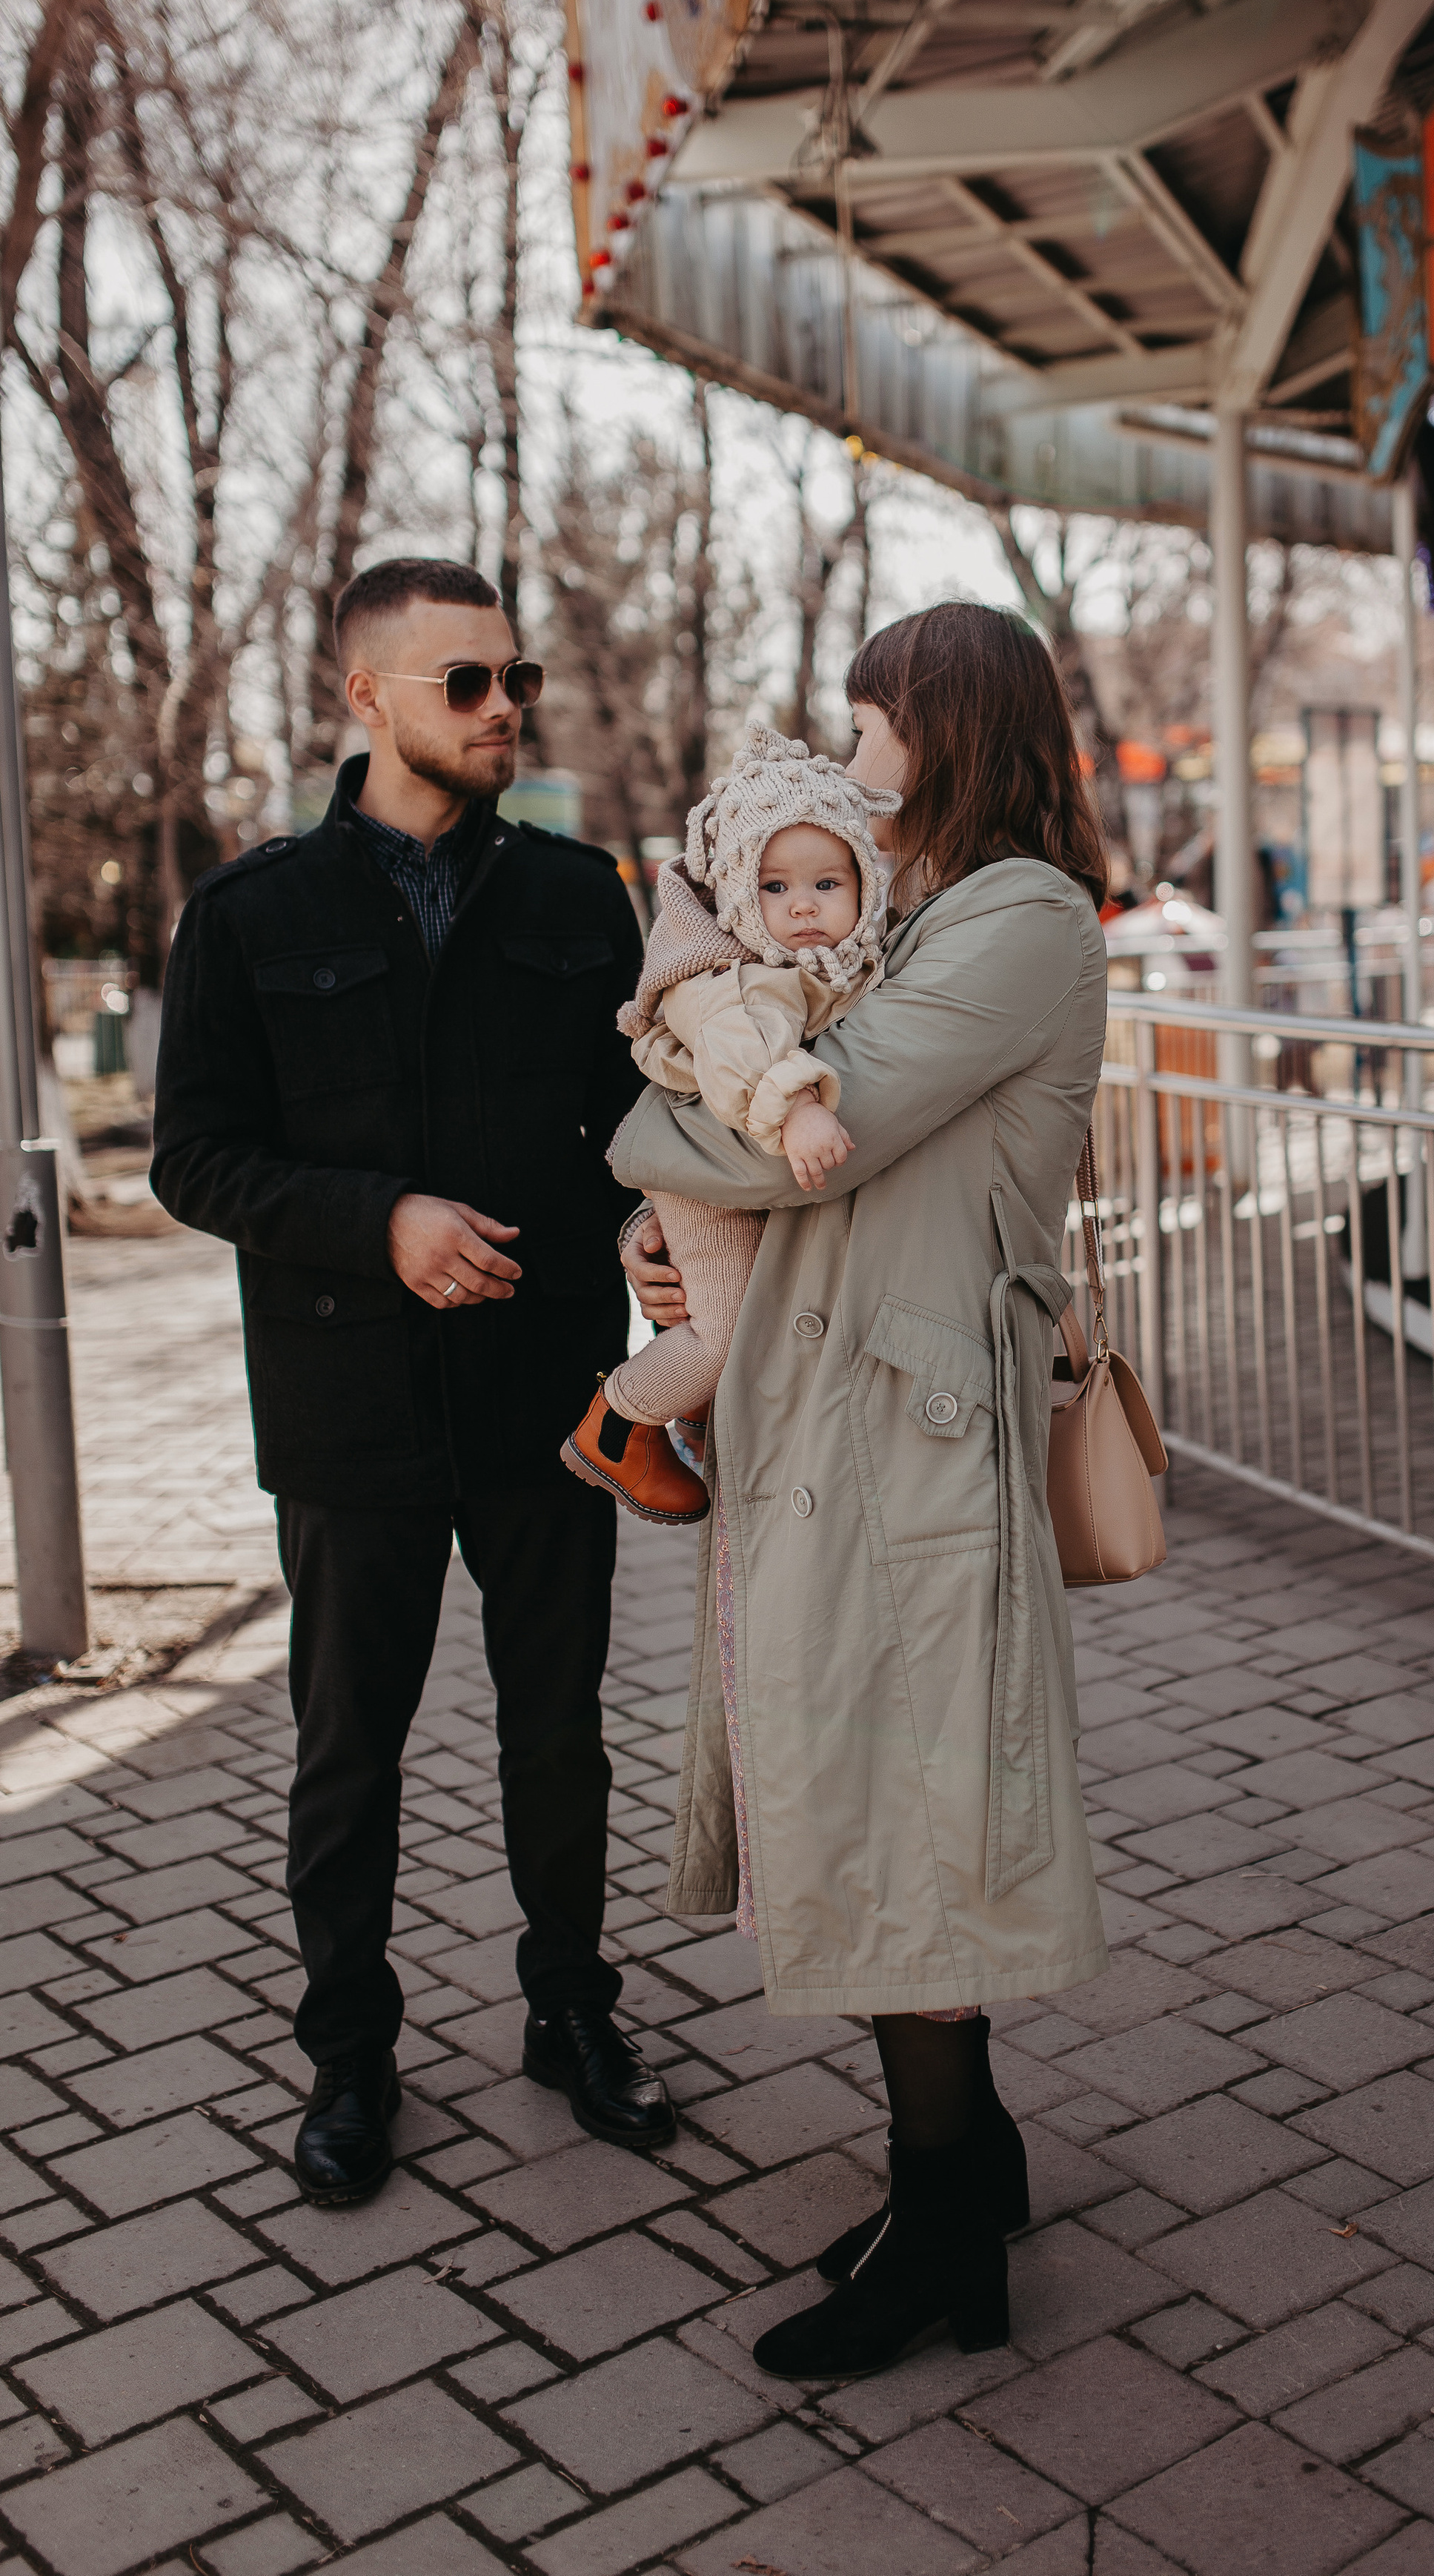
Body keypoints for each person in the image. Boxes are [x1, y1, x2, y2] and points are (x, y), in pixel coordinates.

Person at [616, 600, 1111, 2381]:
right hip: (838, 1411)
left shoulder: (1019, 922)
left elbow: (809, 1121)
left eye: (874, 710)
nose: (854, 739)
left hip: (907, 1434)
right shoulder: (920, 913)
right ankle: (963, 2174)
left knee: (906, 1816)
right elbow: (767, 1100)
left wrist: (637, 1135)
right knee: (867, 1785)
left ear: (948, 721)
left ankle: (946, 2217)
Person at [153, 555, 675, 2209]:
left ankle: (571, 2011)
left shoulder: (583, 897)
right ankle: (350, 2057)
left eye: (514, 677)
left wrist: (658, 1222)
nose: (505, 706)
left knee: (559, 1735)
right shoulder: (251, 915)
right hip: (347, 1410)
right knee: (345, 1750)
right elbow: (194, 1162)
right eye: (468, 683)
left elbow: (630, 1127)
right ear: (364, 696)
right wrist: (375, 1221)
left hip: (545, 1393)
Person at [563, 722, 897, 1523]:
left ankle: (695, 1416)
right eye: (774, 889)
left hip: (716, 1164)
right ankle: (617, 1423)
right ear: (740, 896)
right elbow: (747, 1053)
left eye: (828, 884)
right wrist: (802, 1109)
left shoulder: (828, 962)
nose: (804, 908)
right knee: (727, 1329)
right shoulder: (728, 979)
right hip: (705, 1182)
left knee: (753, 1308)